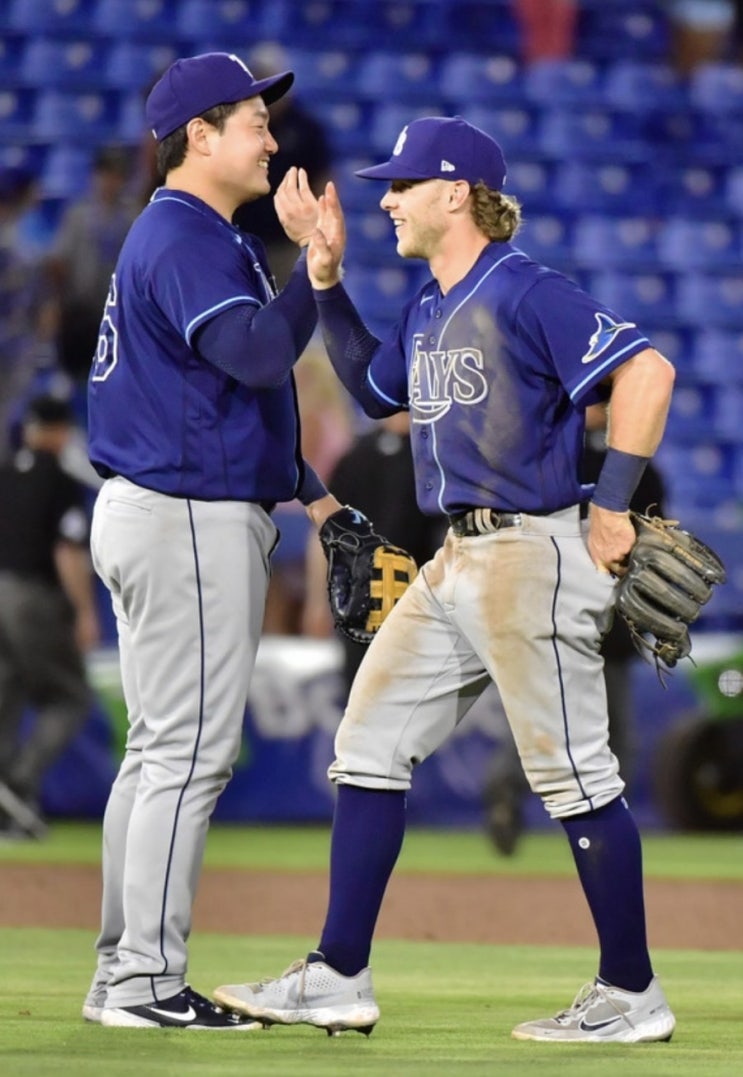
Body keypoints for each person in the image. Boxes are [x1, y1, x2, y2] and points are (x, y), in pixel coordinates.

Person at [214, 115, 678, 1044]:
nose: (385, 197)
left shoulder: (526, 290)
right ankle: (339, 974)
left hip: (529, 552)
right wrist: (326, 278)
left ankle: (630, 991)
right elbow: (376, 391)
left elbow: (648, 372)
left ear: (455, 191)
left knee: (576, 775)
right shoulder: (430, 305)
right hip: (456, 559)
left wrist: (613, 502)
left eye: (402, 183)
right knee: (368, 743)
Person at [82, 51, 344, 1031]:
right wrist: (315, 273)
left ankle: (123, 974)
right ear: (198, 134)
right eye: (252, 121)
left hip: (162, 505)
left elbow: (228, 400)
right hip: (182, 517)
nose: (272, 139)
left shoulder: (197, 234)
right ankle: (145, 981)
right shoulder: (187, 235)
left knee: (158, 754)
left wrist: (312, 498)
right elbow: (257, 354)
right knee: (188, 754)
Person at [483, 401, 668, 856]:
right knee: (612, 734)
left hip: (554, 609)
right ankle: (605, 828)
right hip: (605, 615)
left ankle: (509, 790)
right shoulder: (641, 469)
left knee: (542, 721)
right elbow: (654, 552)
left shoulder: (539, 457)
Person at [0, 395, 99, 840]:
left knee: (10, 687)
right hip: (31, 596)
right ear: (60, 431)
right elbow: (66, 550)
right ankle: (16, 786)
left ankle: (7, 806)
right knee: (70, 697)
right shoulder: (60, 480)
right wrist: (83, 611)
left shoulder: (4, 475)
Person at [302, 411, 448, 690]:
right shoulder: (360, 456)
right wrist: (318, 602)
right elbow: (326, 532)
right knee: (362, 697)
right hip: (366, 602)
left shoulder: (433, 456)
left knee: (408, 700)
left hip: (418, 601)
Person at [233, 44, 333, 289]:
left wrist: (321, 228)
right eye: (260, 79)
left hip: (286, 241)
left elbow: (323, 180)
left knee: (290, 315)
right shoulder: (237, 123)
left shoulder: (306, 129)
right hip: (239, 237)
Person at [47, 145, 139, 384]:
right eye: (105, 173)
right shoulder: (78, 214)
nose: (110, 181)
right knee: (75, 376)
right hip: (80, 311)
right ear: (95, 176)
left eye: (117, 175)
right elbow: (60, 261)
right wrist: (57, 303)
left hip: (118, 316)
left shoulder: (133, 216)